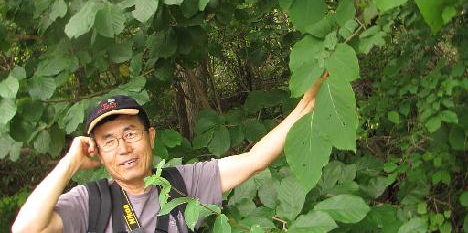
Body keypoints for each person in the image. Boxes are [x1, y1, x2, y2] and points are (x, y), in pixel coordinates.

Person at [12, 75, 325, 233]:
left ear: (150, 137)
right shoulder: (89, 202)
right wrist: (69, 163)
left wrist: (309, 101)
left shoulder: (183, 183)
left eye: (130, 133)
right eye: (108, 141)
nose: (122, 148)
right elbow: (24, 229)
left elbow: (254, 160)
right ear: (98, 153)